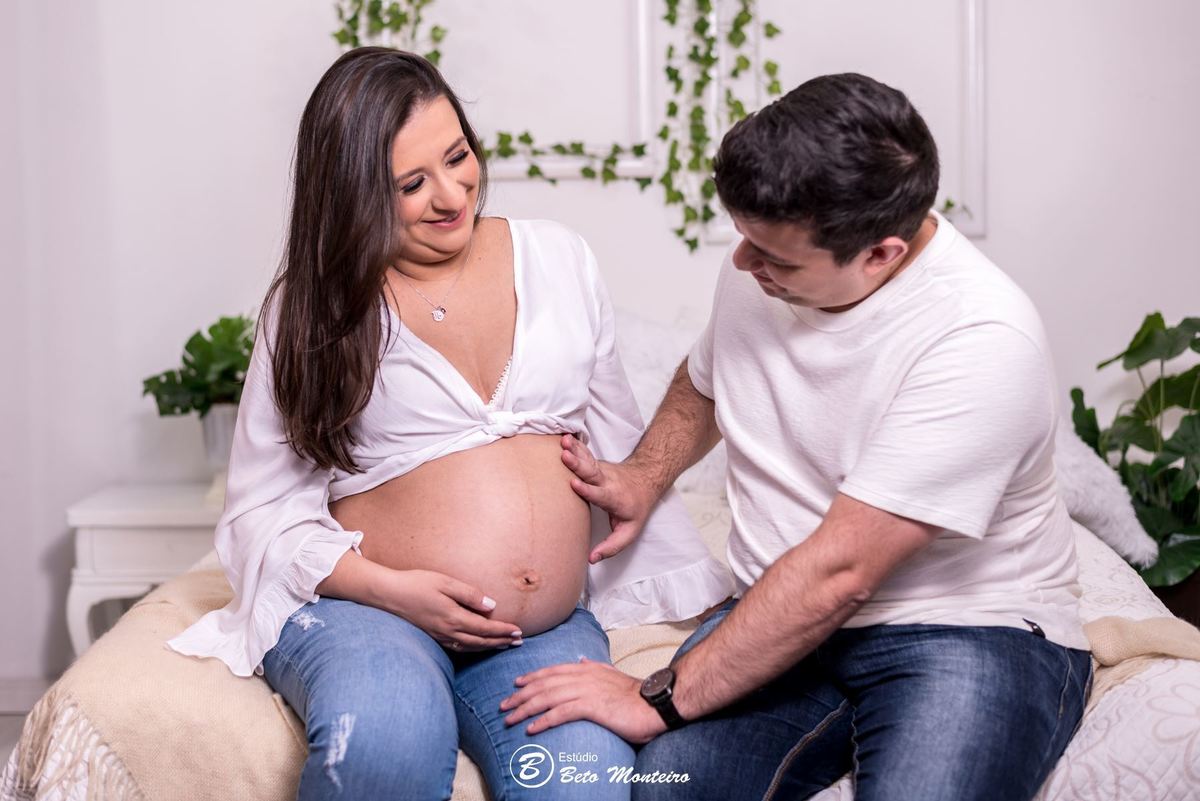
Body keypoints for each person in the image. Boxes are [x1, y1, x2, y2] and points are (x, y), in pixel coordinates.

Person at [501, 73, 1092, 801]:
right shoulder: (760, 266)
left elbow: (840, 572)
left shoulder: (981, 338)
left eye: (774, 257)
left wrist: (655, 695)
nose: (745, 265)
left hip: (966, 626)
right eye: (744, 240)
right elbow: (709, 373)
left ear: (882, 253)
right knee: (668, 789)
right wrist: (643, 475)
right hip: (782, 612)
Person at [165, 47, 732, 800]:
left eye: (458, 156)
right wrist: (393, 588)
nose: (451, 193)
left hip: (539, 630)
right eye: (411, 184)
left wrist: (643, 509)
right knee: (385, 749)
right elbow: (262, 510)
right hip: (367, 610)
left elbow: (619, 441)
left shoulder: (558, 259)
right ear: (355, 194)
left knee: (581, 783)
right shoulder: (315, 311)